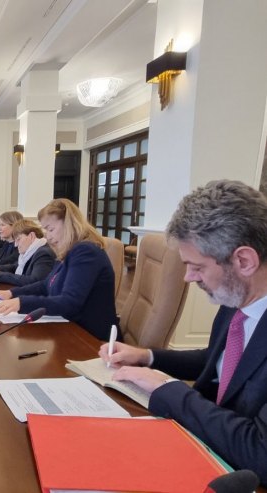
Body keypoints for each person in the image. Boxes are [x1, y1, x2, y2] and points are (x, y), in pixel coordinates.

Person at [99, 180, 267, 483]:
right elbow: (217, 361)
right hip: (198, 442)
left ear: (244, 261)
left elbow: (259, 452)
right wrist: (147, 357)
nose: (188, 277)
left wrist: (167, 388)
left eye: (197, 267)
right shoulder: (237, 299)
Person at [0, 198, 117, 340]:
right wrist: (11, 293)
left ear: (69, 224)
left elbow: (69, 302)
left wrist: (21, 303)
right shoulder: (70, 251)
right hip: (69, 328)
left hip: (91, 338)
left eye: (51, 229)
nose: (48, 236)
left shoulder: (86, 252)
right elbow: (46, 285)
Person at [0, 219, 56, 287]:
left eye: (18, 239)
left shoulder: (43, 253)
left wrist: (0, 275)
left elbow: (34, 281)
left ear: (31, 236)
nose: (16, 245)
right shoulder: (31, 251)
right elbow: (15, 266)